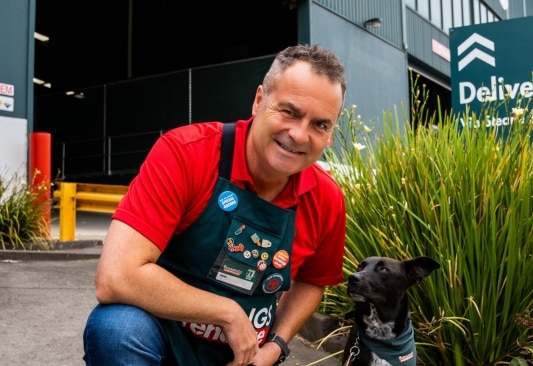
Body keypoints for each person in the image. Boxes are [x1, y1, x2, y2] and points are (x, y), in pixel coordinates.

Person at [82, 44, 347, 366]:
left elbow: (312, 281)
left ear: (331, 133)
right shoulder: (186, 153)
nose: (300, 134)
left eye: (320, 124)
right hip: (162, 333)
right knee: (115, 329)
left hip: (244, 355)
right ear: (260, 100)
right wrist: (226, 313)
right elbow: (117, 276)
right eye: (289, 111)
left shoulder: (327, 198)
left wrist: (275, 346)